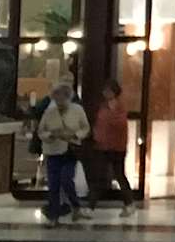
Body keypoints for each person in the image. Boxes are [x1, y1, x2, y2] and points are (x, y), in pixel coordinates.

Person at [38, 81, 92, 228]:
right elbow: (41, 131)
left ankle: (76, 206)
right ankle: (54, 216)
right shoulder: (49, 113)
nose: (59, 101)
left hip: (70, 151)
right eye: (56, 98)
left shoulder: (77, 110)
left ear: (68, 97)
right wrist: (51, 135)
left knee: (66, 179)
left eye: (62, 97)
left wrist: (75, 135)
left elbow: (85, 128)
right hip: (53, 150)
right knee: (53, 184)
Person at [88, 79, 134, 215]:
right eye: (105, 90)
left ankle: (129, 204)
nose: (105, 93)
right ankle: (90, 207)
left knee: (119, 175)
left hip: (116, 147)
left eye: (108, 90)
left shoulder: (119, 107)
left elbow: (119, 124)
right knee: (98, 177)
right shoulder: (102, 106)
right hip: (102, 146)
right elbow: (99, 124)